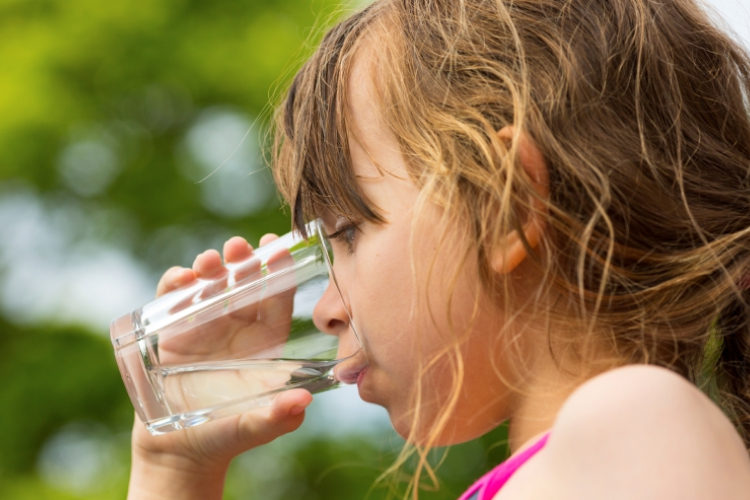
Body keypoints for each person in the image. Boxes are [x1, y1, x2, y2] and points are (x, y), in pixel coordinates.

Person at [126, 0, 750, 498]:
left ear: (503, 206)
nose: (323, 311)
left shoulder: (633, 423)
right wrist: (174, 472)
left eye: (345, 232)